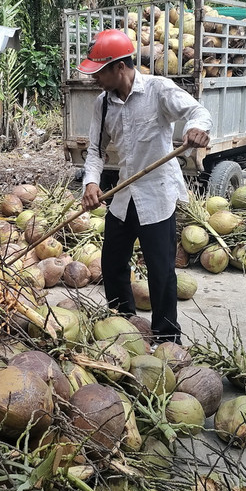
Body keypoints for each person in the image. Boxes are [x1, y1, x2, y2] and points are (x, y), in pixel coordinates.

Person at [78, 29, 212, 344]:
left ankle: (167, 338)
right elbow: (95, 150)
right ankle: (122, 324)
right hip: (124, 193)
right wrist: (91, 182)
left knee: (160, 270)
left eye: (99, 72)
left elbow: (198, 111)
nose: (94, 78)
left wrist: (195, 129)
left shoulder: (158, 90)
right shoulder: (103, 103)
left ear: (119, 67)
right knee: (112, 263)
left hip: (157, 193)